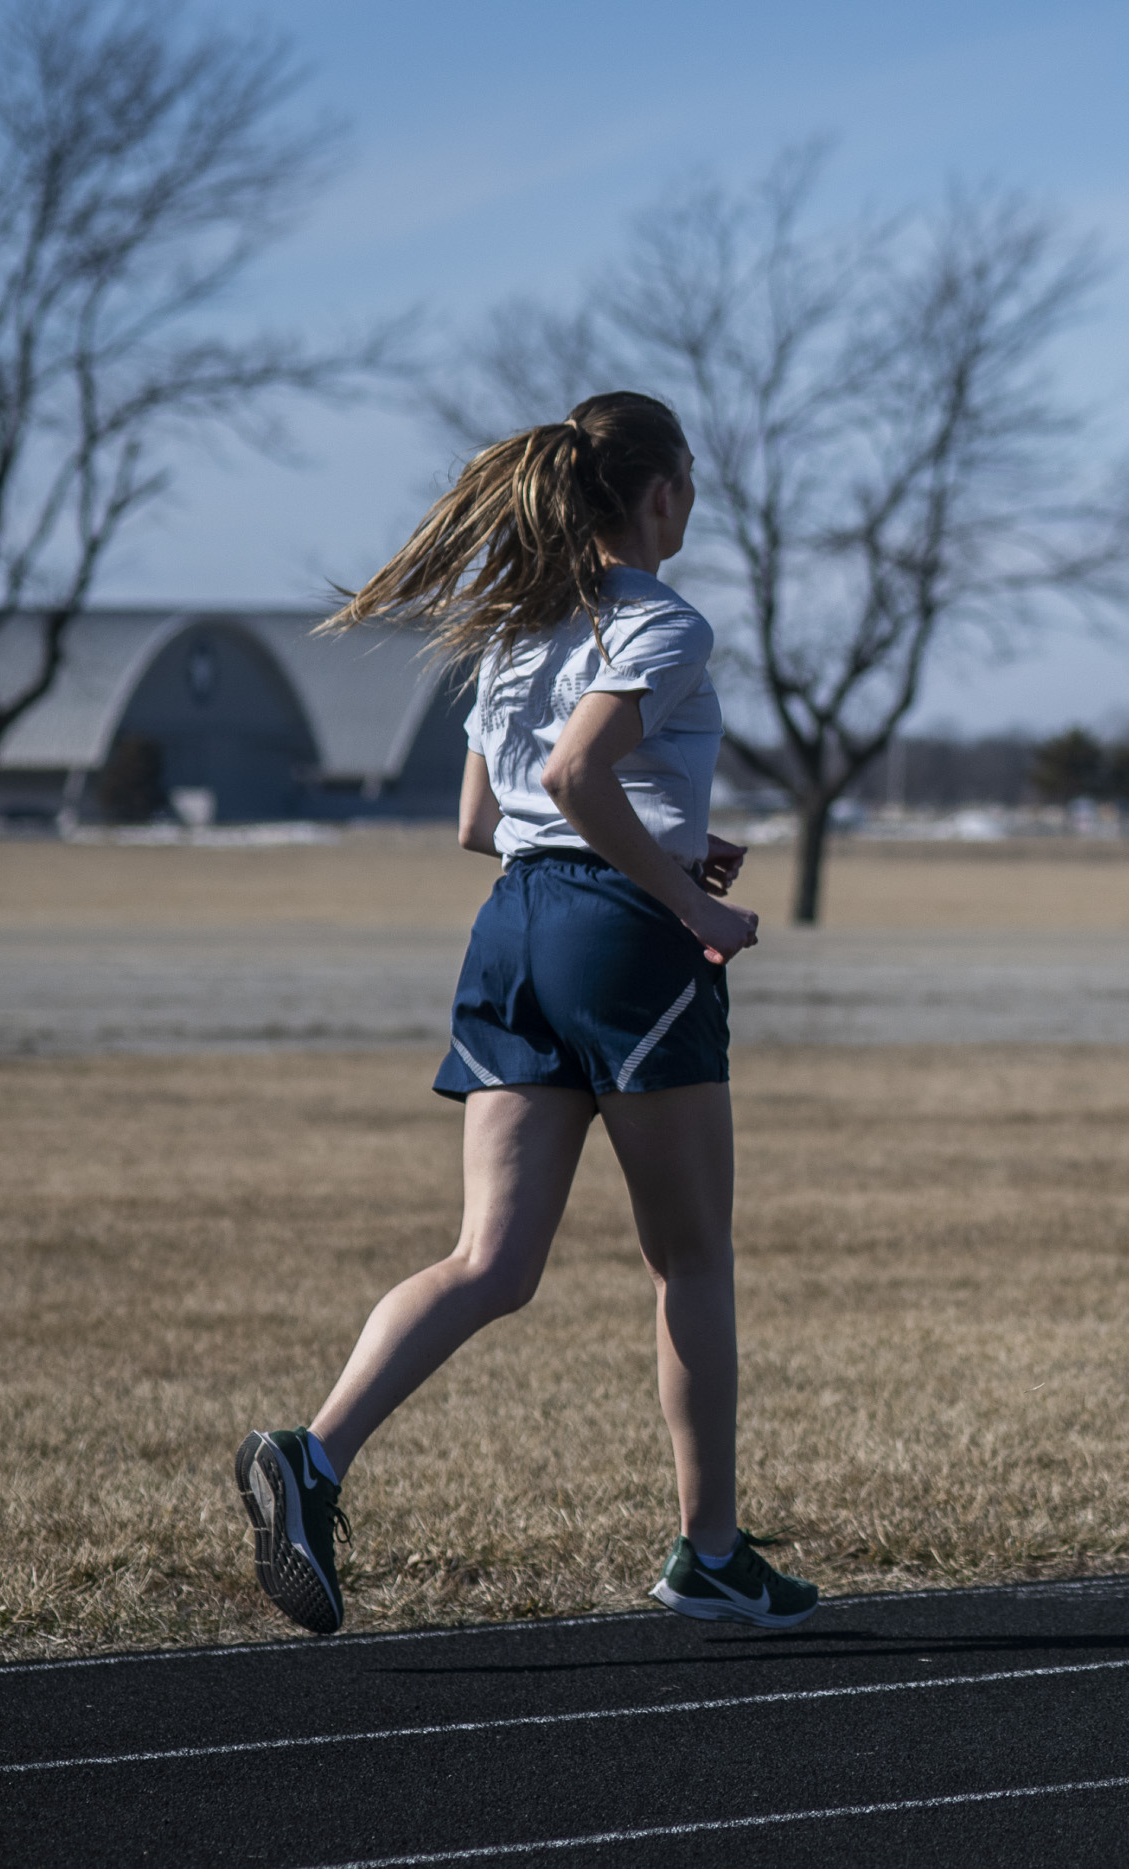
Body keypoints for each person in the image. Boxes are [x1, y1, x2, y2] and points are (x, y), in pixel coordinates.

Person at [234, 391, 819, 1636]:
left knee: (489, 1261)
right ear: (659, 494)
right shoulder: (664, 622)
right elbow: (571, 776)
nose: (696, 497)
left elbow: (486, 822)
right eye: (693, 477)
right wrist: (688, 902)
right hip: (620, 944)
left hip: (512, 931)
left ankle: (313, 1455)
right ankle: (710, 1556)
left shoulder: (515, 631)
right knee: (693, 1256)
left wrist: (670, 840)